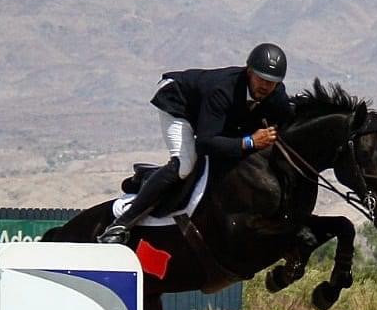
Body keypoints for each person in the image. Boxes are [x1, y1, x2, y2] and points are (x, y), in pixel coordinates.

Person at [97, 42, 292, 244]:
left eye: (272, 82)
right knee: (185, 164)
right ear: (249, 71)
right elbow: (205, 144)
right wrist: (250, 142)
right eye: (261, 78)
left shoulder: (276, 94)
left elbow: (289, 121)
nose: (265, 86)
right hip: (179, 101)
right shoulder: (223, 90)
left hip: (210, 115)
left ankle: (152, 176)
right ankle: (120, 225)